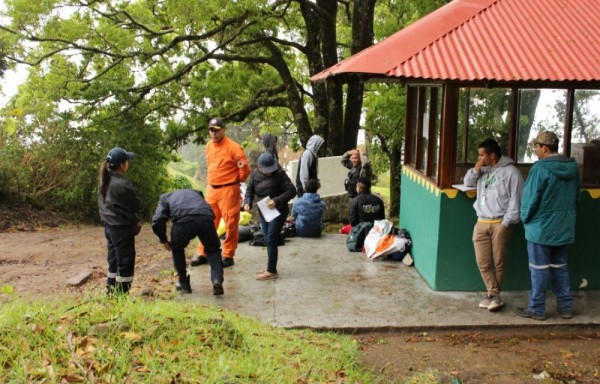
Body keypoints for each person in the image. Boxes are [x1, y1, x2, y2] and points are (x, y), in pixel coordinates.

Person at [515, 131, 580, 321]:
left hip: (541, 229)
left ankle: (536, 308)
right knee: (560, 267)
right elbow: (577, 197)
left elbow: (530, 198)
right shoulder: (573, 168)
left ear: (544, 147)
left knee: (539, 269)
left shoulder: (540, 168)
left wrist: (525, 218)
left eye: (536, 147)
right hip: (564, 227)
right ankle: (566, 308)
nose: (535, 150)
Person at [463, 138, 524, 312]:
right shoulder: (482, 170)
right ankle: (494, 294)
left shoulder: (512, 173)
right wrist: (475, 170)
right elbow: (467, 182)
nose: (479, 158)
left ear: (493, 155)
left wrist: (506, 223)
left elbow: (516, 201)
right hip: (481, 221)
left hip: (500, 223)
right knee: (482, 261)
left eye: (482, 155)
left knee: (498, 262)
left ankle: (492, 295)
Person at [191, 118, 251, 268]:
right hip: (212, 189)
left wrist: (236, 181)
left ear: (223, 130)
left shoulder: (234, 148)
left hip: (229, 190)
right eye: (211, 129)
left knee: (231, 223)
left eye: (217, 130)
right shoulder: (208, 146)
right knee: (207, 222)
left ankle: (228, 255)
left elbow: (245, 170)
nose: (214, 133)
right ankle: (203, 252)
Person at [151, 189, 225, 295]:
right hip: (206, 218)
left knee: (177, 249)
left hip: (183, 220)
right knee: (213, 251)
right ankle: (217, 280)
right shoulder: (197, 193)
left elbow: (158, 219)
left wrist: (164, 240)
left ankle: (184, 283)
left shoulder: (164, 198)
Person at [244, 152, 296, 280]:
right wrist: (247, 201)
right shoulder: (255, 174)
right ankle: (269, 267)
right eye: (267, 170)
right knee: (267, 239)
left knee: (272, 238)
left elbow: (292, 191)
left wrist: (277, 200)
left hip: (278, 210)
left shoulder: (280, 174)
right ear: (260, 168)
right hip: (264, 210)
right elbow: (250, 190)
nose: (270, 172)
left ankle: (272, 271)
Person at [98, 147, 141, 295]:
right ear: (122, 165)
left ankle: (111, 291)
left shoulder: (105, 180)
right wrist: (134, 221)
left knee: (114, 259)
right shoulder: (121, 185)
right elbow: (135, 205)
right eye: (127, 162)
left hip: (109, 227)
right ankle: (121, 295)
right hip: (121, 229)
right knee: (125, 262)